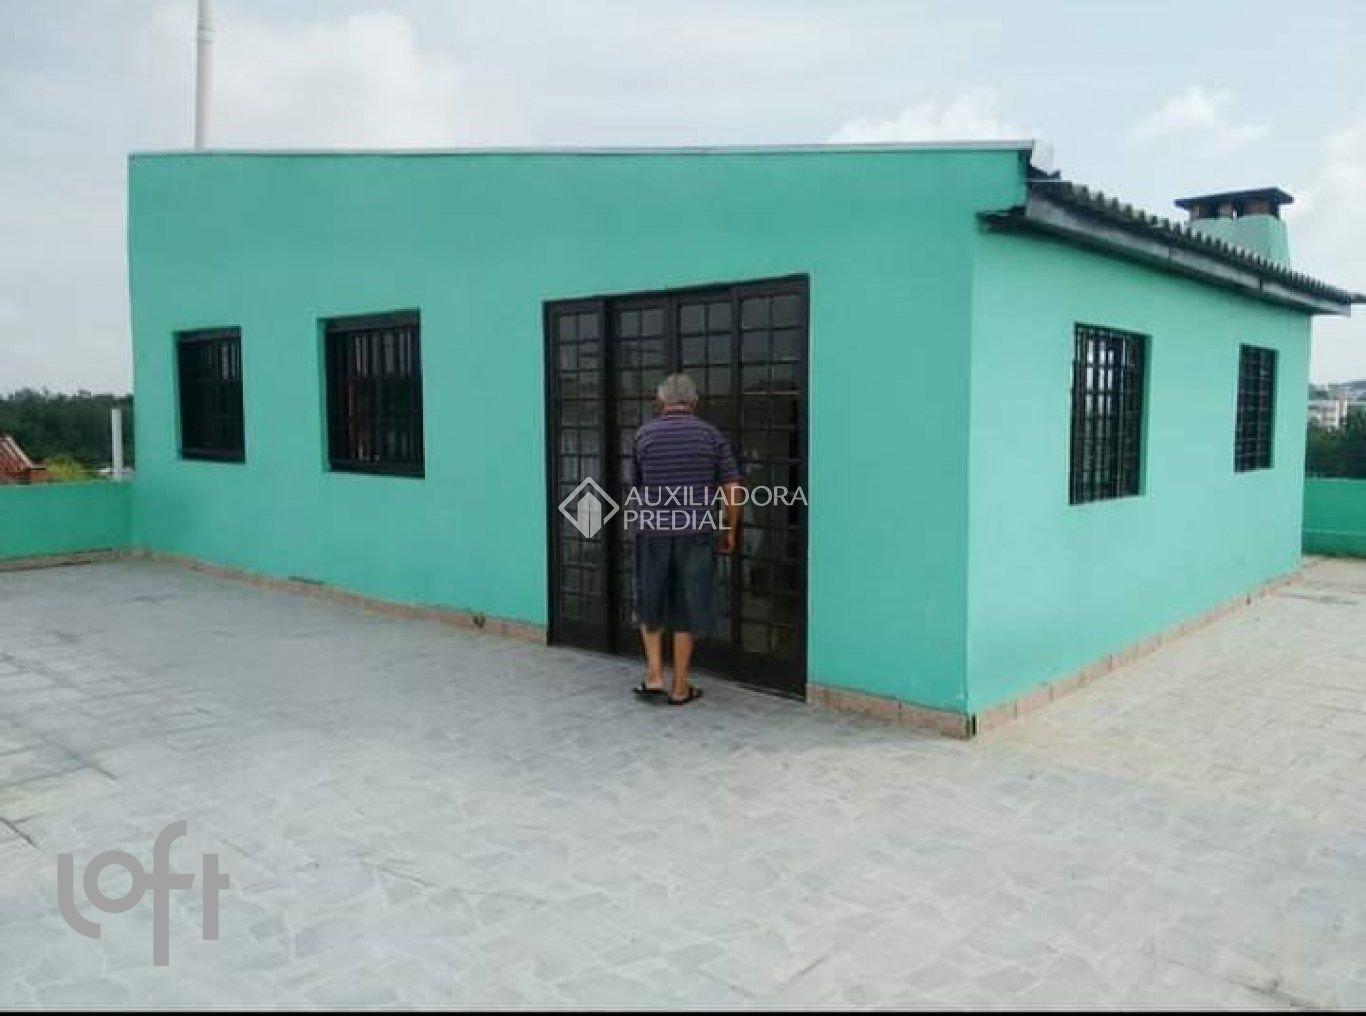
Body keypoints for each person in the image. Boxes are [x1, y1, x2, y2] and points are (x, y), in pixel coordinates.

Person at [630, 373, 743, 705]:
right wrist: (730, 529)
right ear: (694, 402)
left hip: (653, 531)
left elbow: (637, 488)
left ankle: (654, 677)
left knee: (650, 600)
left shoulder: (644, 435)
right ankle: (680, 686)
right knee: (687, 605)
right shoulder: (711, 436)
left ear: (660, 402)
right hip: (696, 533)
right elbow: (732, 488)